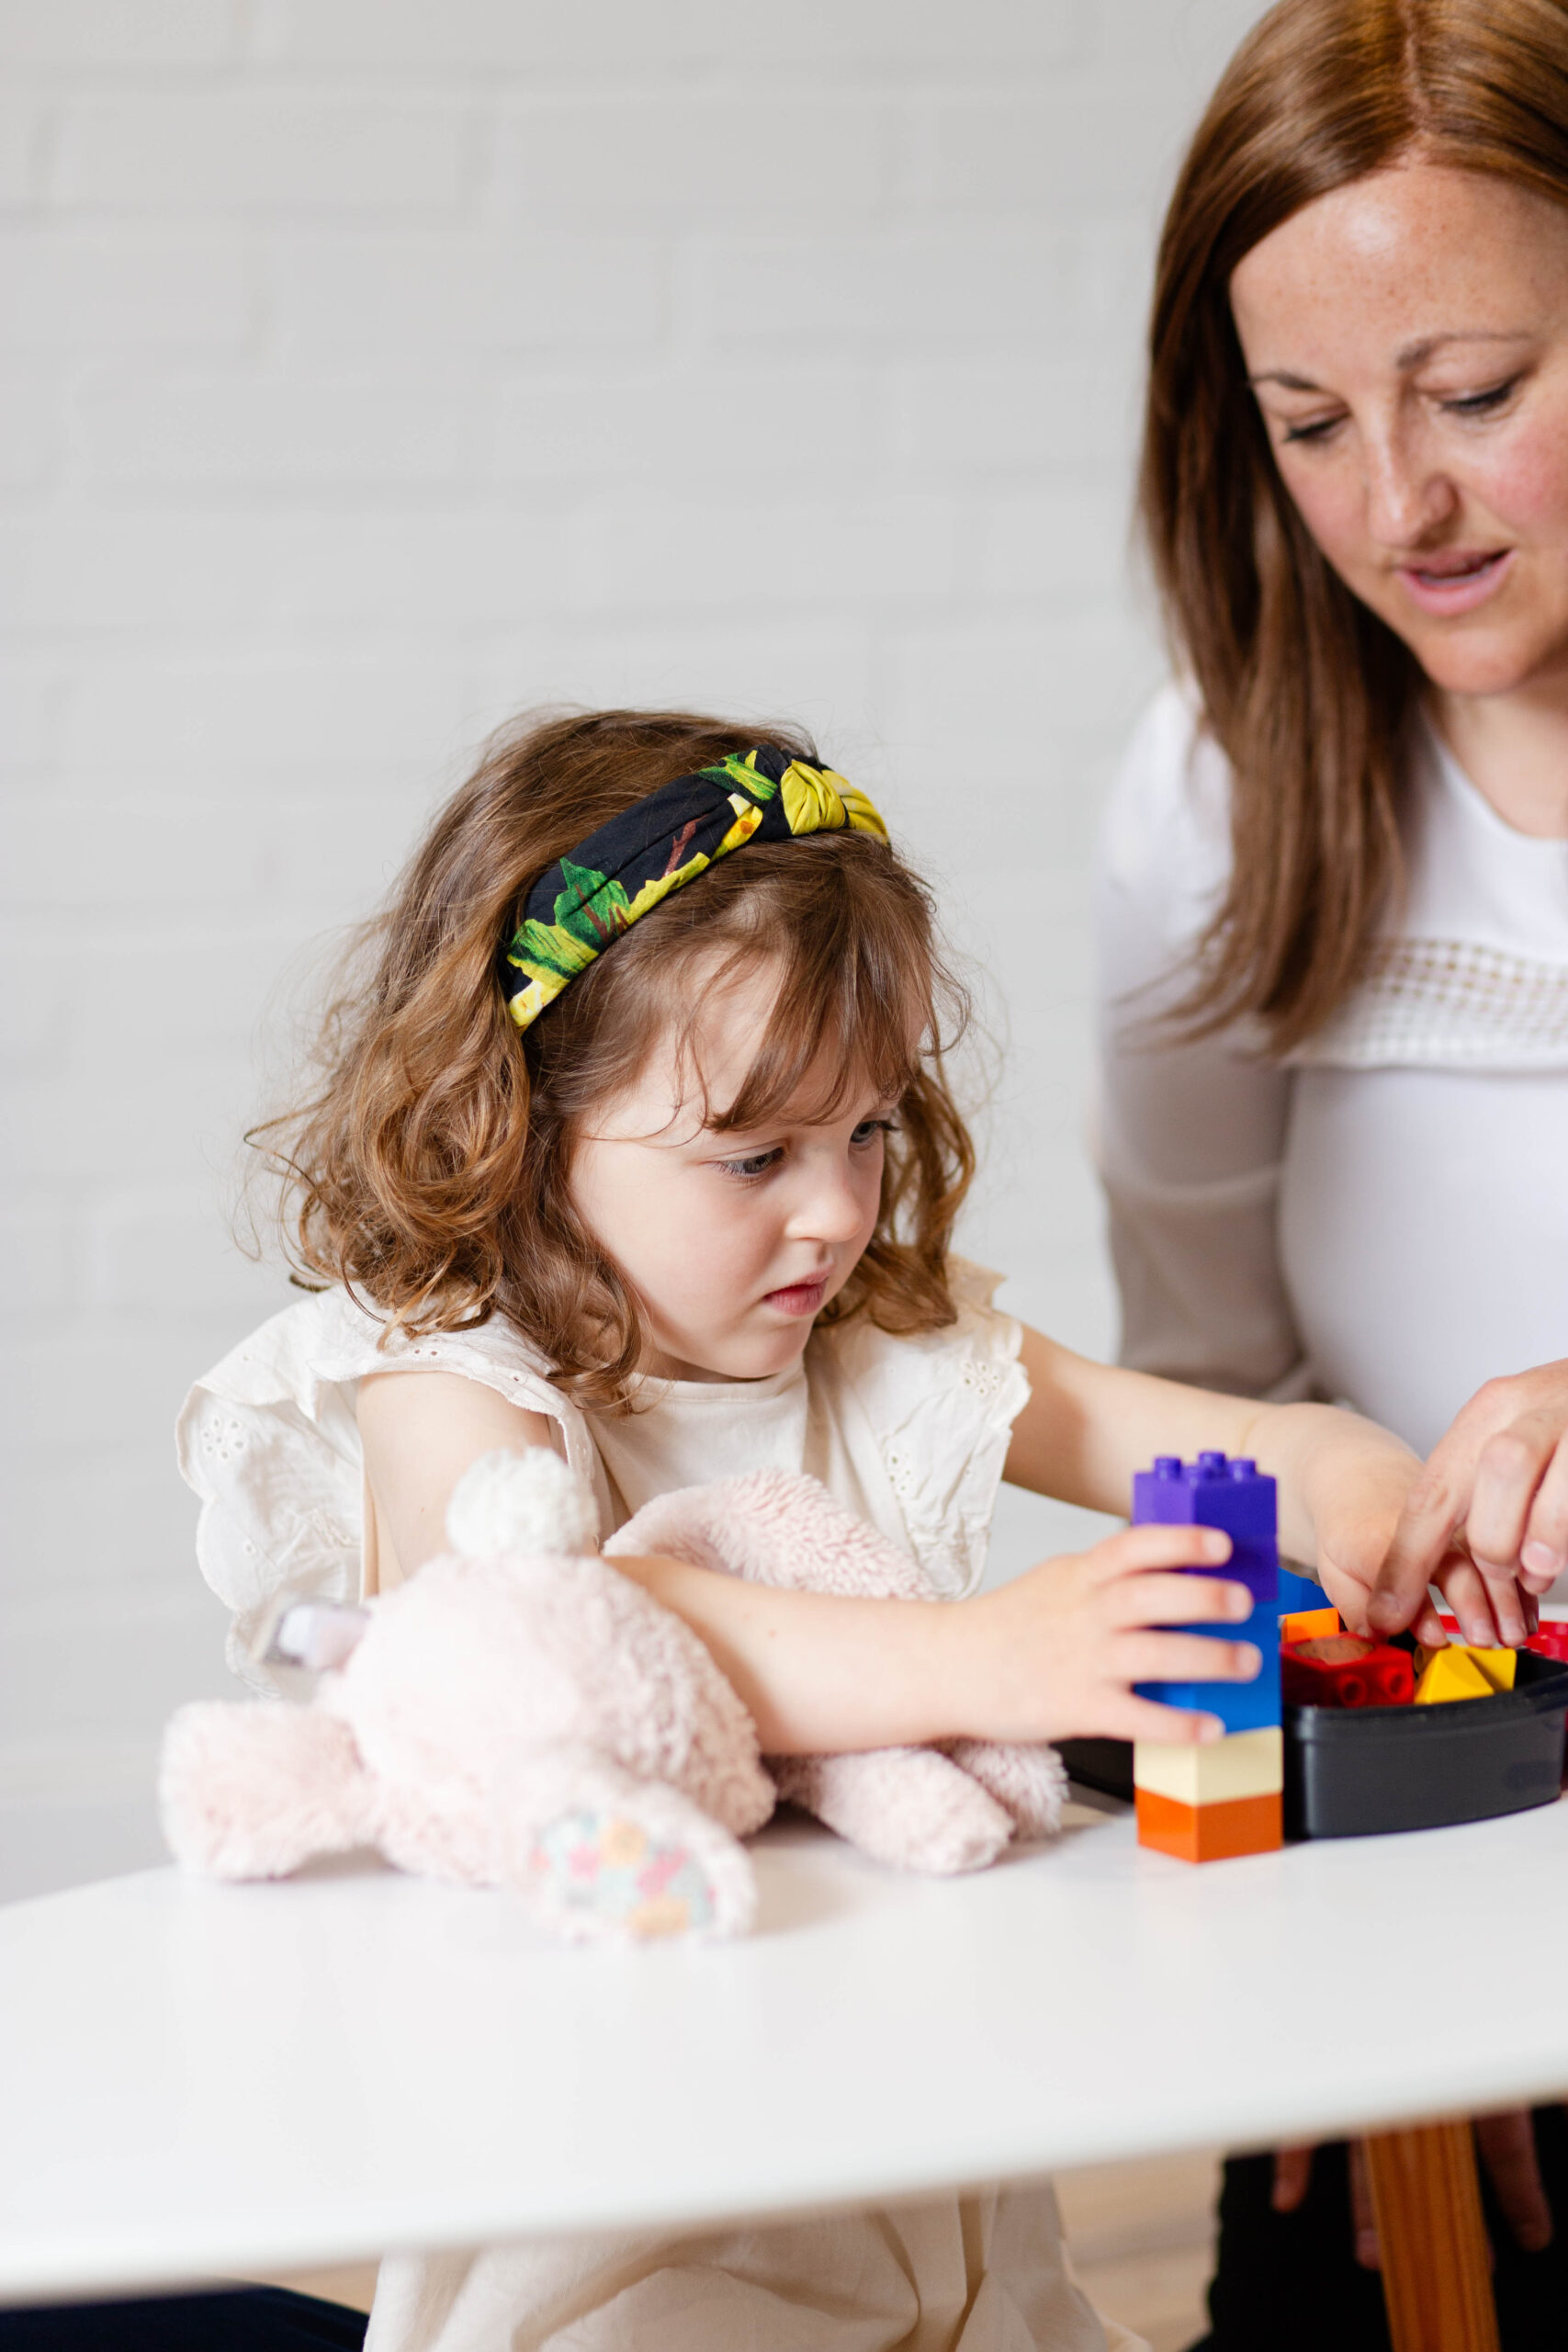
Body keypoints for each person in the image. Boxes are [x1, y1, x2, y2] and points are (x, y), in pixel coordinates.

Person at [150, 705, 1431, 2352]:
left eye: (868, 1130)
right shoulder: (440, 1383)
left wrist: (1352, 1487)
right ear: (524, 1135)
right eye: (752, 1153)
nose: (834, 1208)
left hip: (943, 2220)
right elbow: (580, 1642)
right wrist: (989, 1656)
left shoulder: (885, 1345)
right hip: (634, 2264)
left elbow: (1234, 1440)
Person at [1097, 3, 1568, 2345]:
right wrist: (1369, 1863)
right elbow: (1202, 1382)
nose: (1401, 503)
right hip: (1420, 1785)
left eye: (1475, 389)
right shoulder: (1218, 791)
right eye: (1309, 423)